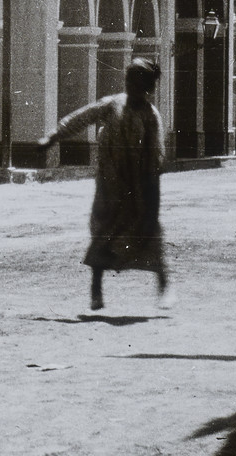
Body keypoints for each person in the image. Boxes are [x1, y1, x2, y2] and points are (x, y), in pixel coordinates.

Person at [49, 56, 169, 312]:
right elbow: (82, 117)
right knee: (102, 235)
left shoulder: (151, 117)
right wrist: (53, 136)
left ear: (147, 87)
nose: (130, 86)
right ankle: (96, 291)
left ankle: (163, 286)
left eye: (136, 82)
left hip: (138, 190)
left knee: (149, 236)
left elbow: (155, 158)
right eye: (128, 80)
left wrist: (152, 198)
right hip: (109, 187)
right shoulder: (112, 105)